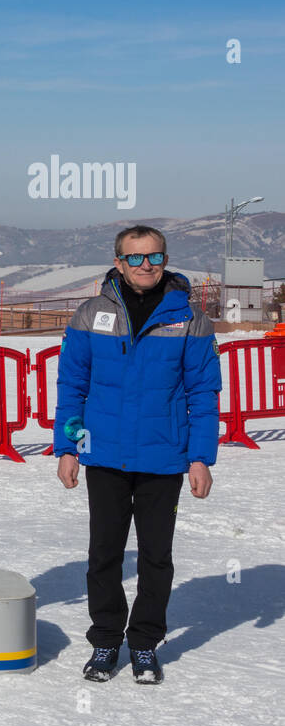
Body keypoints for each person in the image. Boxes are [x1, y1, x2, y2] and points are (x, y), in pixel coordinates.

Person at [54, 226, 219, 684]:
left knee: (156, 556)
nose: (147, 266)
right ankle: (107, 638)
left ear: (165, 260)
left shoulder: (189, 318)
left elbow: (203, 393)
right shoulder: (90, 315)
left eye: (155, 257)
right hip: (103, 455)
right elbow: (73, 388)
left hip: (163, 458)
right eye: (136, 258)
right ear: (119, 262)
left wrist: (200, 457)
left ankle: (144, 642)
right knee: (104, 553)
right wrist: (68, 447)